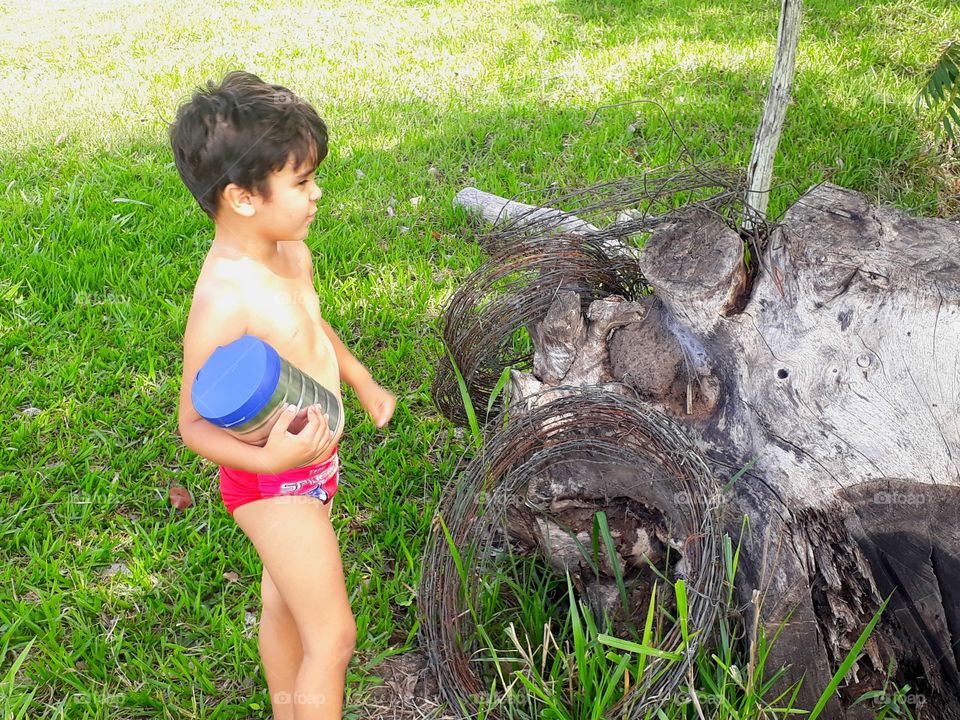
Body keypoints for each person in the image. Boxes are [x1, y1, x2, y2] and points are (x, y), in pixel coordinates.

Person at [171, 71, 396, 720]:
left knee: (283, 602)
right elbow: (191, 423)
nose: (316, 194)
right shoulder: (224, 299)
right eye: (301, 182)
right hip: (272, 482)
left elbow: (310, 324)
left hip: (311, 461)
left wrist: (358, 377)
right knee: (333, 636)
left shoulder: (289, 250)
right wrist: (272, 462)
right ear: (242, 197)